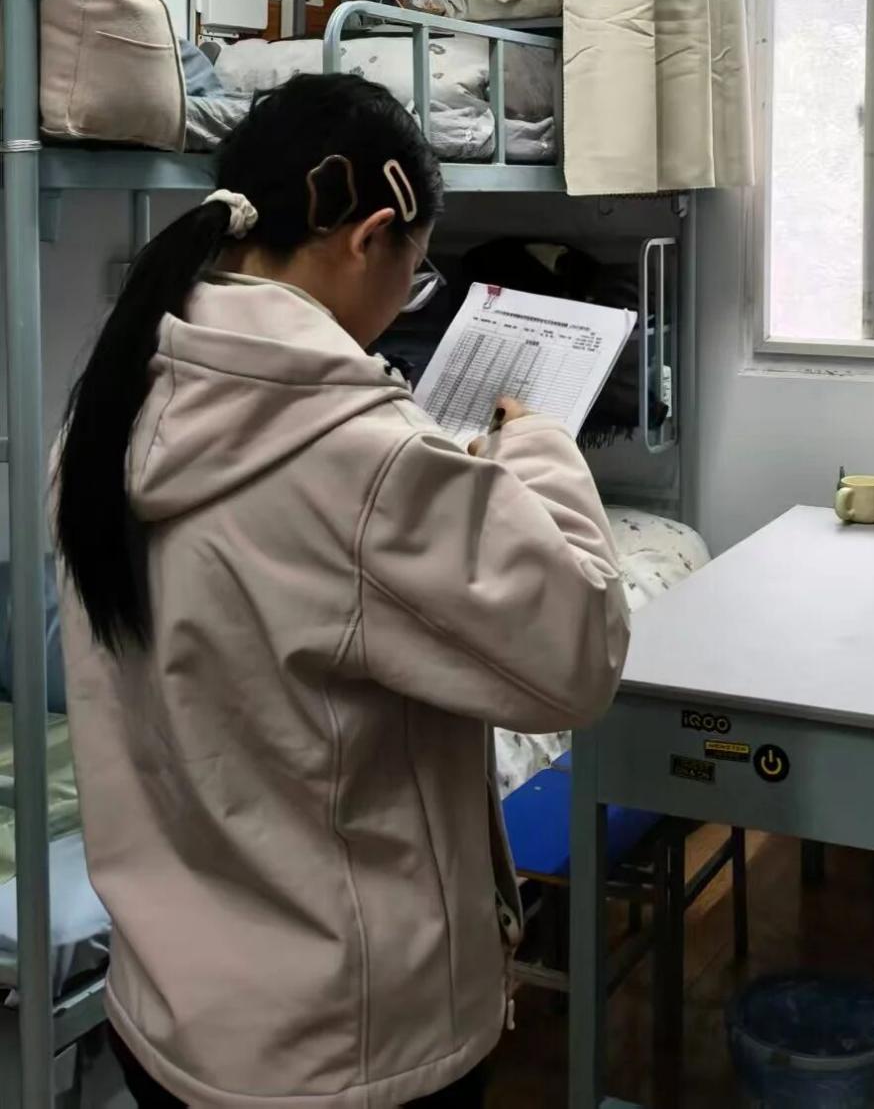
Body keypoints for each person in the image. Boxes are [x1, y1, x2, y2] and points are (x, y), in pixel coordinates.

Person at [55, 74, 630, 1109]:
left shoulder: (107, 415)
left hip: (169, 1020)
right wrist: (538, 446)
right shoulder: (360, 461)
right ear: (368, 239)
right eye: (415, 273)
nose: (403, 301)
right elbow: (580, 648)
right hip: (345, 1048)